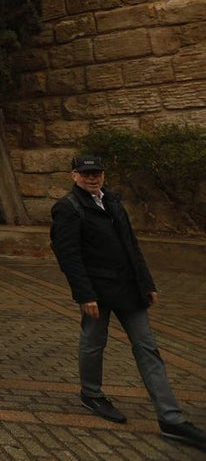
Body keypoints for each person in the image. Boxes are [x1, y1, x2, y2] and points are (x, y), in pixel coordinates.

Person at [51, 155, 206, 449]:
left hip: (129, 290)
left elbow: (131, 245)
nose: (92, 177)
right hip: (97, 292)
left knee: (147, 347)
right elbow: (68, 256)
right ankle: (92, 394)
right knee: (93, 342)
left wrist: (147, 284)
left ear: (103, 175)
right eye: (86, 173)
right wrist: (84, 294)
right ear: (74, 176)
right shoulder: (68, 208)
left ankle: (171, 419)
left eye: (96, 172)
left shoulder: (112, 201)